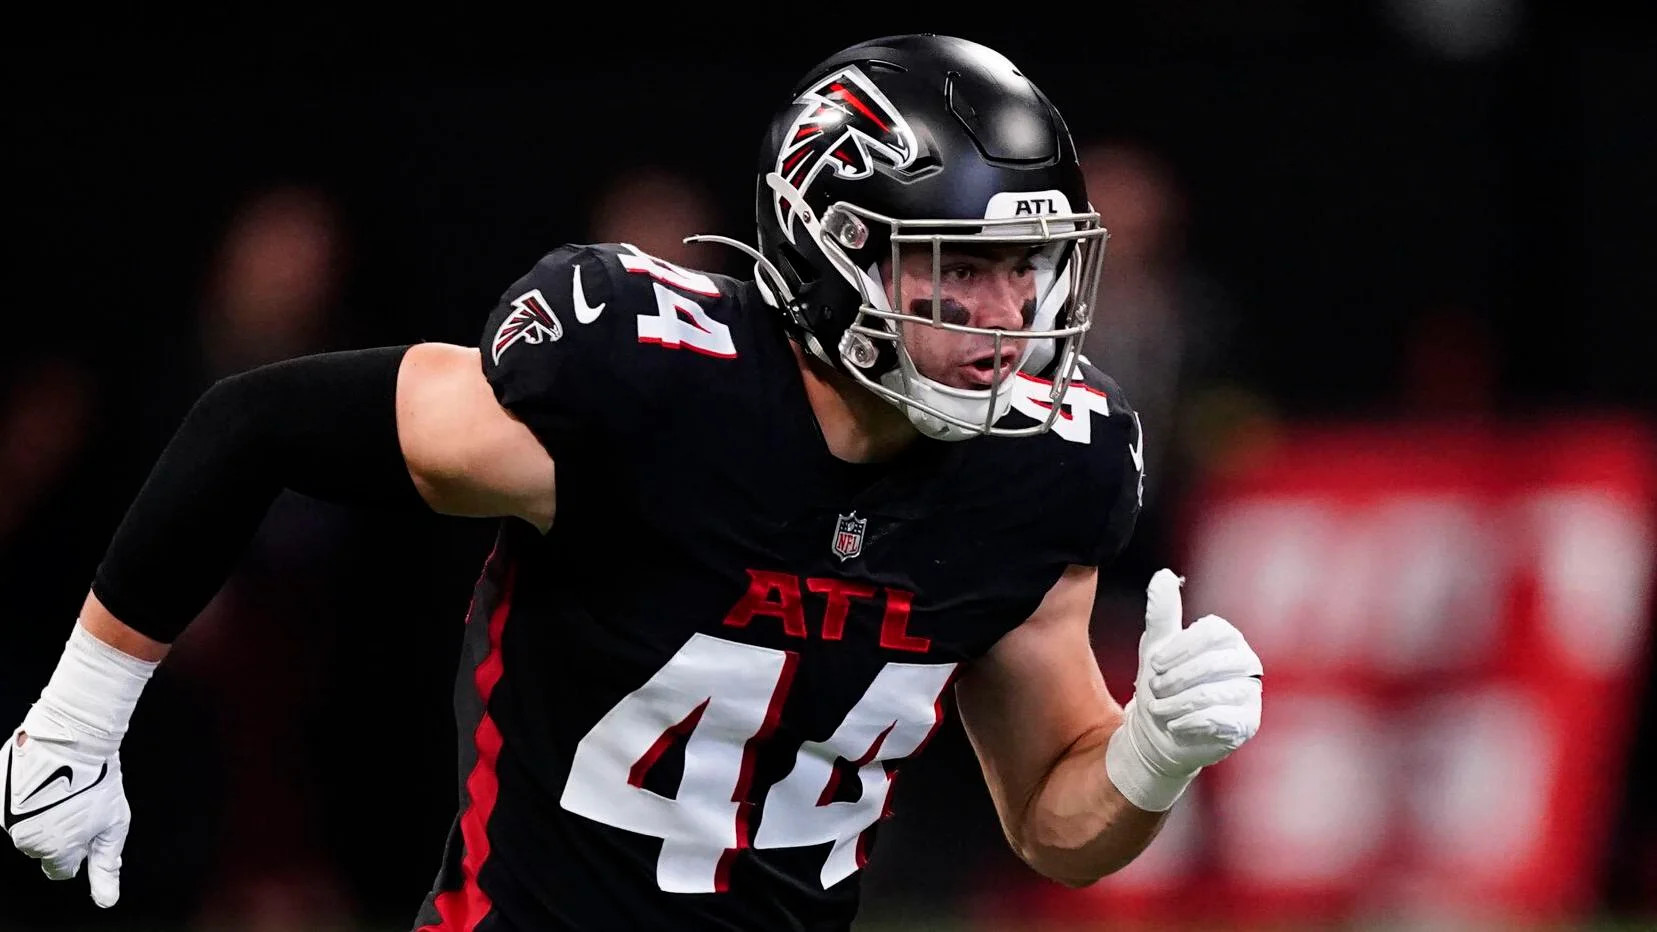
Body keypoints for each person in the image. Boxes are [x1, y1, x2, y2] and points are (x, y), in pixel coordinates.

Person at [3, 34, 1264, 932]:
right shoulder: (652, 387)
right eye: (959, 268)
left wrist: (1148, 755)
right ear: (834, 251)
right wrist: (81, 707)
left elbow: (1052, 821)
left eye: (1027, 269)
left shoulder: (1041, 470)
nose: (1009, 318)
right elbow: (257, 419)